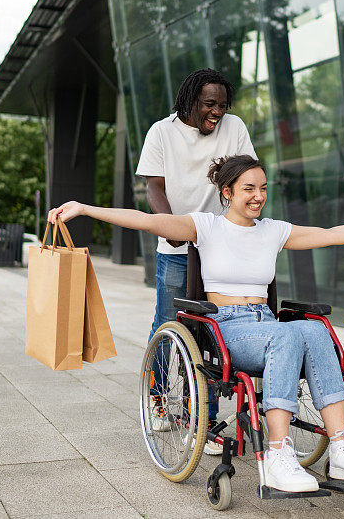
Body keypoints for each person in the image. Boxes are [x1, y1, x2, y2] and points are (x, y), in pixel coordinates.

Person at [48, 155, 344, 493]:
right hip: (227, 327)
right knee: (286, 336)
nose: (258, 196)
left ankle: (342, 449)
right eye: (249, 188)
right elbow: (145, 219)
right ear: (227, 192)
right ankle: (279, 453)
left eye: (263, 188)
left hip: (265, 322)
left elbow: (329, 234)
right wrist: (83, 209)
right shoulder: (205, 226)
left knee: (314, 329)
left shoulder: (273, 231)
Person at [136, 68, 257, 455]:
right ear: (190, 100)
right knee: (169, 325)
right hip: (175, 250)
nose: (217, 112)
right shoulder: (161, 132)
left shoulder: (233, 127)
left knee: (211, 333)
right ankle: (157, 400)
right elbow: (153, 185)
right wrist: (170, 225)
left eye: (222, 104)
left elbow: (244, 177)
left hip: (217, 248)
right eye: (209, 104)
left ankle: (199, 417)